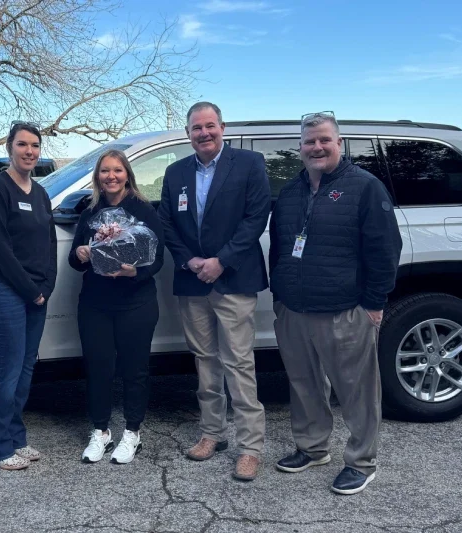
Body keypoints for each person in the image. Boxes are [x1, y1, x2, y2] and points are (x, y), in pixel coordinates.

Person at [269, 111, 401, 495]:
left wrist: (374, 303)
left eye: (325, 139)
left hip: (344, 309)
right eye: (310, 141)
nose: (317, 147)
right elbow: (279, 246)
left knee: (356, 389)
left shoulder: (365, 187)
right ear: (300, 148)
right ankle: (312, 448)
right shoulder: (291, 191)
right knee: (303, 383)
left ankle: (362, 461)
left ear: (339, 143)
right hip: (293, 308)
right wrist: (280, 295)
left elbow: (385, 249)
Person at [158, 102, 271, 481]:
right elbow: (167, 224)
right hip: (192, 281)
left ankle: (250, 447)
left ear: (222, 127)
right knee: (205, 360)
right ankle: (212, 433)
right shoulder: (175, 172)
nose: (204, 133)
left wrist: (221, 261)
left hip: (233, 278)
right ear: (188, 133)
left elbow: (256, 217)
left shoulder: (249, 164)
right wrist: (190, 261)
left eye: (210, 126)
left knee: (238, 362)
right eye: (196, 128)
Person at [68, 149, 164, 465]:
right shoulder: (89, 213)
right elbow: (74, 261)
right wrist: (82, 253)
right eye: (105, 171)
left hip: (136, 303)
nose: (111, 176)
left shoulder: (144, 211)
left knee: (134, 371)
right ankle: (100, 431)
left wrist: (133, 271)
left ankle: (132, 432)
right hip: (95, 304)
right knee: (98, 369)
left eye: (118, 171)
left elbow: (157, 259)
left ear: (127, 175)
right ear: (98, 177)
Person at [0, 121, 57, 470]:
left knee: (25, 369)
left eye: (35, 146)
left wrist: (46, 289)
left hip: (35, 295)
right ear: (10, 147)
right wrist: (30, 291)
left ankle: (16, 438)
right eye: (22, 144)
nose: (29, 151)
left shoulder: (39, 193)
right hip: (3, 291)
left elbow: (49, 244)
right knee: (8, 370)